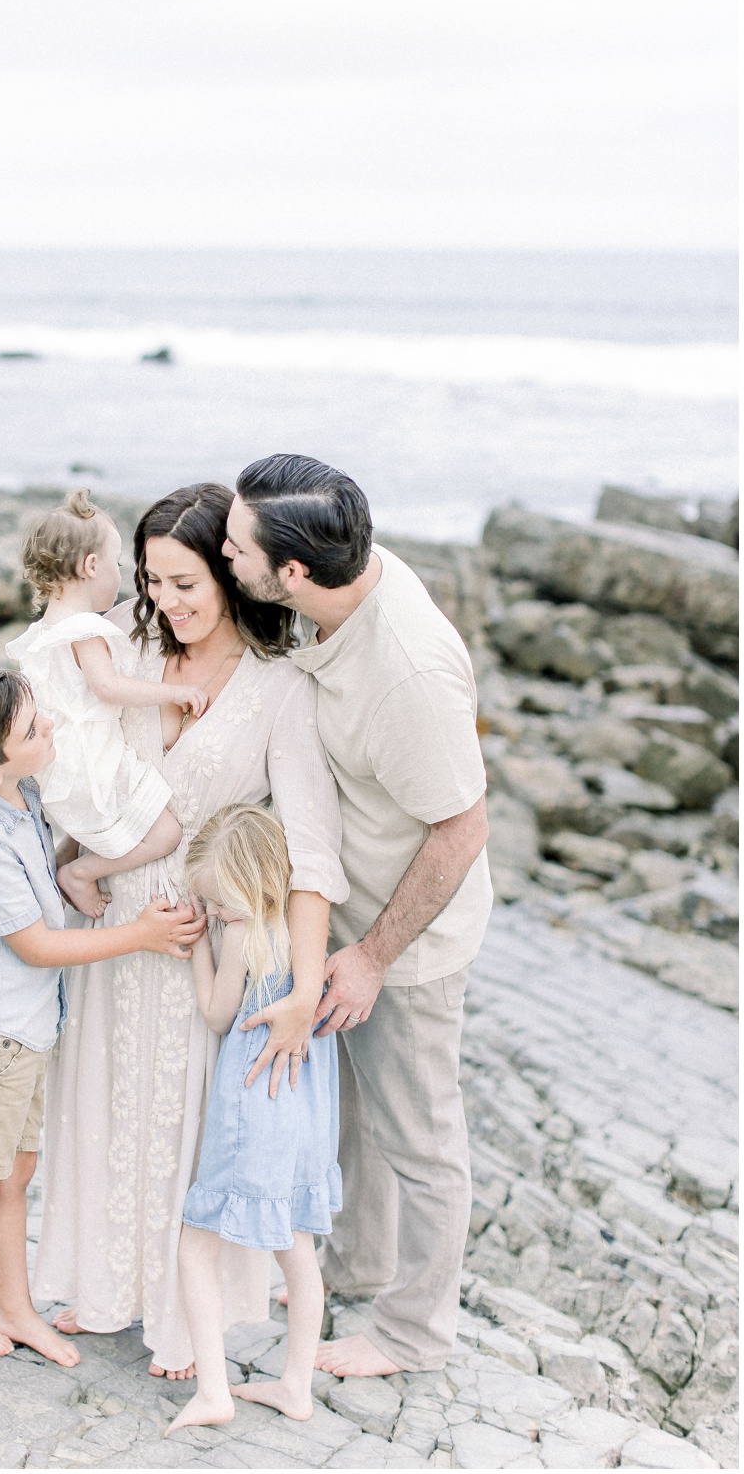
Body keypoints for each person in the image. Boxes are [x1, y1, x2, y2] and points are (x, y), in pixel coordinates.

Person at [32, 482, 349, 1379]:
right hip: (113, 919)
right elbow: (79, 772)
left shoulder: (280, 690)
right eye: (150, 581)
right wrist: (67, 861)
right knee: (98, 1093)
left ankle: (184, 1316)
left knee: (185, 1117)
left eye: (183, 583)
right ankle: (104, 1284)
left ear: (230, 573)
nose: (164, 603)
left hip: (211, 931)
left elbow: (312, 852)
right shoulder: (119, 651)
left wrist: (298, 984)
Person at [223, 454, 492, 1380]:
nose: (225, 553)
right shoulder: (333, 584)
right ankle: (357, 1272)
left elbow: (462, 828)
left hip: (407, 936)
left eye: (234, 547)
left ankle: (415, 1335)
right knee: (360, 1124)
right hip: (350, 912)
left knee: (420, 1138)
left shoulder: (406, 671)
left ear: (294, 573)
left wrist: (374, 955)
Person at [0, 667, 205, 1364]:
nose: (53, 730)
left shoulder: (15, 794)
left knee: (13, 1170)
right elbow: (37, 945)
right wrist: (143, 934)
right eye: (33, 732)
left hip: (23, 1026)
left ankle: (12, 1308)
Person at [167, 804, 340, 1435]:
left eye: (218, 902)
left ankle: (213, 1390)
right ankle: (297, 1383)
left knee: (196, 1242)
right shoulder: (309, 935)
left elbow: (217, 1013)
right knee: (296, 1246)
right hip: (308, 1116)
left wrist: (195, 947)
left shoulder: (246, 936)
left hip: (255, 1108)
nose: (213, 913)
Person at [7, 489, 207, 919]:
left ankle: (64, 860)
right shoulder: (84, 628)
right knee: (166, 833)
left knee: (107, 824)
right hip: (90, 763)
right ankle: (80, 874)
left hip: (61, 764)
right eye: (117, 565)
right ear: (91, 566)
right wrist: (173, 693)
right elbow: (109, 688)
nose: (123, 579)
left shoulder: (46, 629)